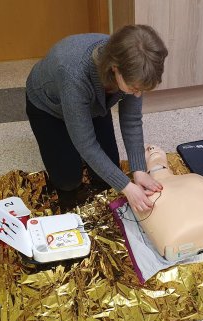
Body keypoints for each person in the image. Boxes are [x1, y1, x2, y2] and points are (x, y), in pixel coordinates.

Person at [25, 25, 168, 211]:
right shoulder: (73, 74)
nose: (138, 95)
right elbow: (86, 144)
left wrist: (138, 170)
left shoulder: (131, 66)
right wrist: (127, 187)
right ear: (115, 68)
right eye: (134, 88)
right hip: (48, 107)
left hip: (93, 103)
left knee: (105, 176)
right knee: (68, 180)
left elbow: (131, 121)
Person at [131, 145, 203, 261]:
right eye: (147, 150)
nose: (152, 149)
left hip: (185, 241)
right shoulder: (142, 195)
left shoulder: (196, 179)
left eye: (155, 147)